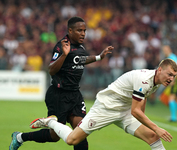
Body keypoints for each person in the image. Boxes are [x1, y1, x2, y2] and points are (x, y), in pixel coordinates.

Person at [9, 16, 113, 150]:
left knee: (80, 132)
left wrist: (99, 57)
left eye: (84, 30)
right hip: (59, 95)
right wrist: (64, 55)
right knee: (54, 136)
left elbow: (80, 59)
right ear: (70, 30)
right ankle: (20, 137)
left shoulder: (80, 47)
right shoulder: (61, 46)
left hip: (75, 94)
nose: (83, 33)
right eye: (79, 30)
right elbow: (51, 70)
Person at [28, 58, 177, 150]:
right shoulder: (144, 80)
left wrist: (150, 128)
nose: (171, 79)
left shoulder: (156, 81)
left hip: (124, 111)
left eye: (174, 76)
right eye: (169, 74)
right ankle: (51, 122)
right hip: (106, 107)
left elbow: (139, 107)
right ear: (159, 70)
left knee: (152, 136)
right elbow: (136, 111)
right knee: (72, 140)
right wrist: (157, 127)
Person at [162, 44, 177, 122]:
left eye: (165, 50)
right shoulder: (171, 57)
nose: (164, 51)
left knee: (171, 98)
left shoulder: (172, 57)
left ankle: (173, 117)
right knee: (176, 98)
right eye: (163, 50)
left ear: (169, 49)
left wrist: (173, 79)